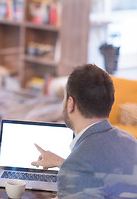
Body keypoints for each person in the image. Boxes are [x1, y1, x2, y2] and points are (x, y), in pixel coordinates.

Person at [31, 64, 137, 198]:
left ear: (71, 104)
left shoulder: (75, 168)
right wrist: (63, 163)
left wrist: (69, 169)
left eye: (64, 98)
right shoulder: (131, 141)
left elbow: (84, 175)